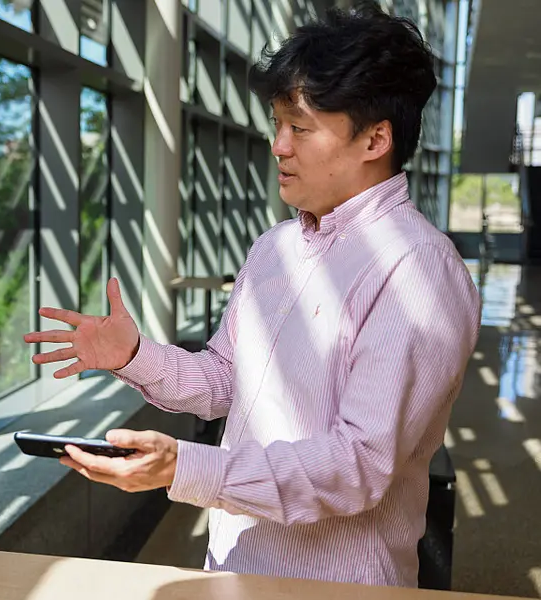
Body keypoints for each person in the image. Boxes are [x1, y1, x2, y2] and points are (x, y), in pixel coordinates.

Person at [24, 2, 481, 587]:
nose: (278, 147)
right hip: (233, 564)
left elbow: (357, 467)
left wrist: (185, 468)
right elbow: (223, 382)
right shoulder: (275, 247)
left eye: (300, 128)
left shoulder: (419, 271)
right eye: (277, 125)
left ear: (375, 139)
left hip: (336, 585)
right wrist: (133, 355)